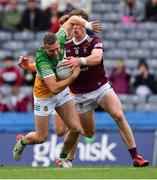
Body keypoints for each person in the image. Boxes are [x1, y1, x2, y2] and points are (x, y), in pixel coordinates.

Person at [18, 9, 149, 167]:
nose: (75, 28)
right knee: (85, 132)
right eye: (74, 25)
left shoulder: (94, 41)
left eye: (79, 25)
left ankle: (135, 157)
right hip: (79, 94)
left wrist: (79, 61)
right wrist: (28, 66)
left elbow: (97, 58)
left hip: (101, 88)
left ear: (84, 26)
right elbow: (46, 66)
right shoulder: (62, 47)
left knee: (119, 115)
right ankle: (62, 155)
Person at [13, 14, 102, 166]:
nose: (55, 53)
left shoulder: (59, 38)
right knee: (41, 138)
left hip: (62, 92)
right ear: (45, 49)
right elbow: (53, 88)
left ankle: (63, 159)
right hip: (44, 96)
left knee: (75, 128)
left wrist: (87, 25)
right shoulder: (42, 60)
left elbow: (73, 18)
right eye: (51, 51)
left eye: (56, 49)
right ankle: (23, 141)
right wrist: (73, 77)